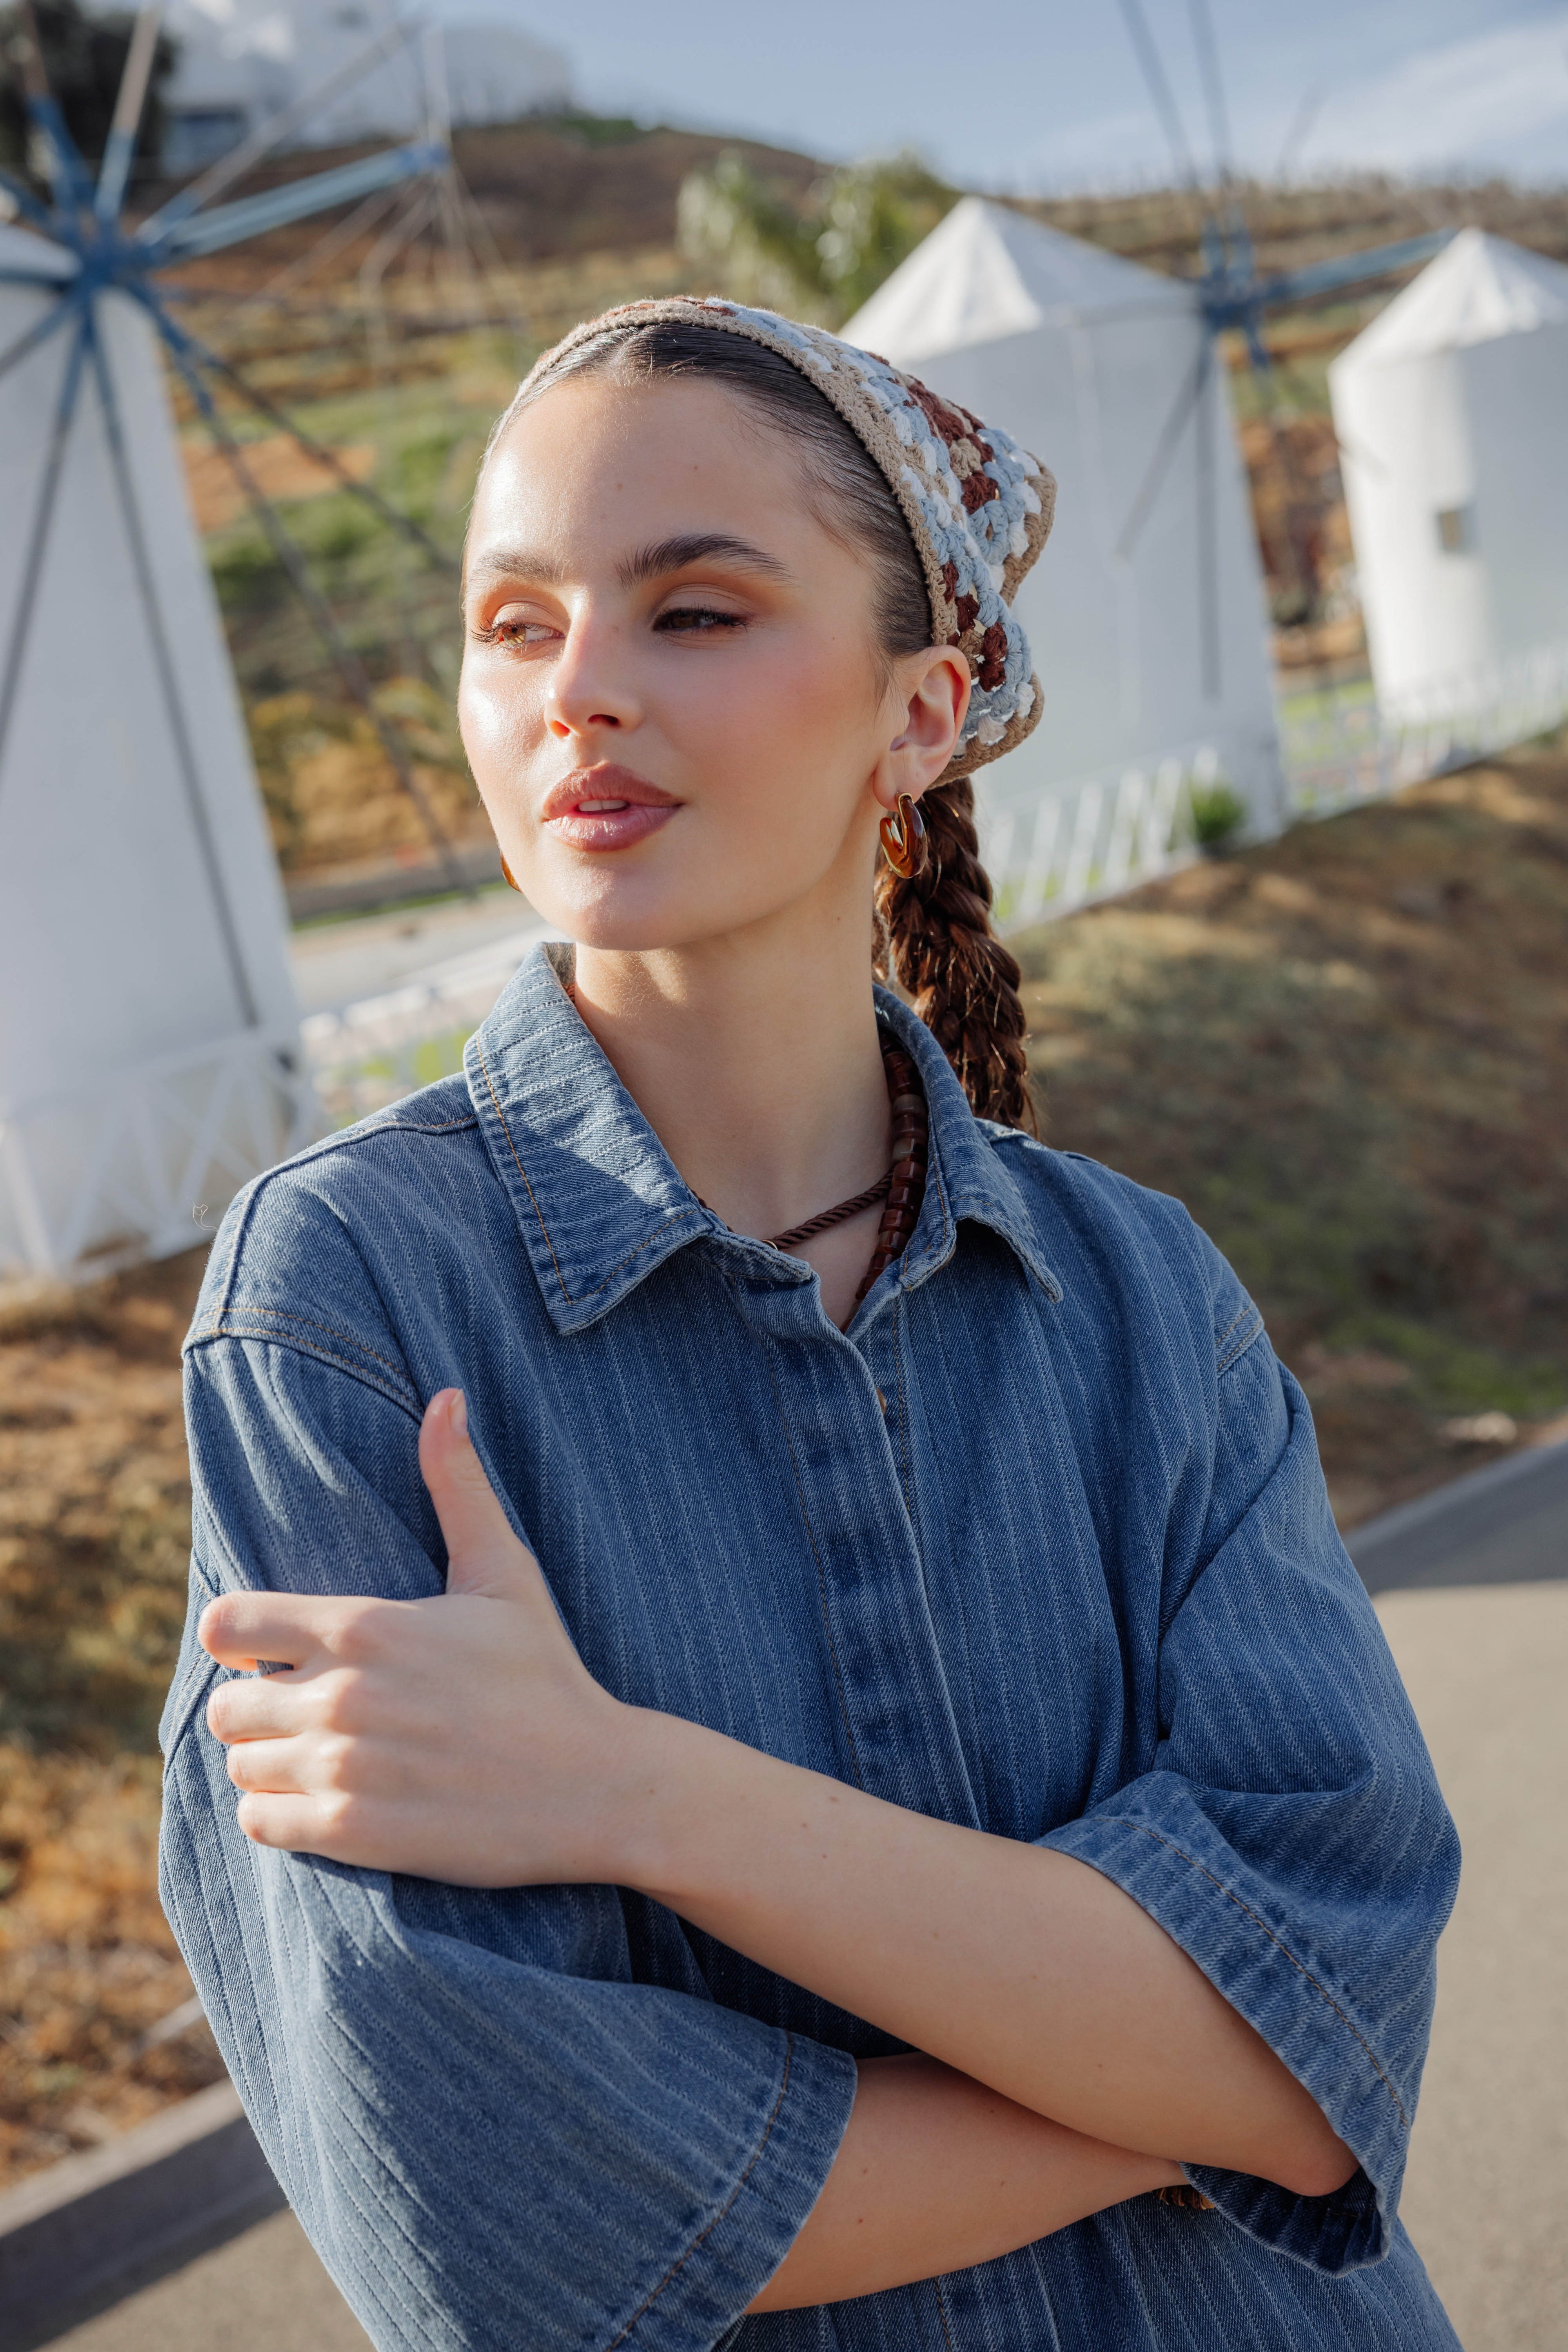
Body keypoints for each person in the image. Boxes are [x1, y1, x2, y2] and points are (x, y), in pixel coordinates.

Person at [160, 298, 1462, 2351]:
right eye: (514, 625)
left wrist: (627, 1792)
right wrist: (1222, 2082)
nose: (581, 691)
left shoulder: (1144, 1303)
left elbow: (1349, 1962)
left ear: (921, 713)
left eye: (692, 611)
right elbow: (503, 2216)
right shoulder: (341, 1311)